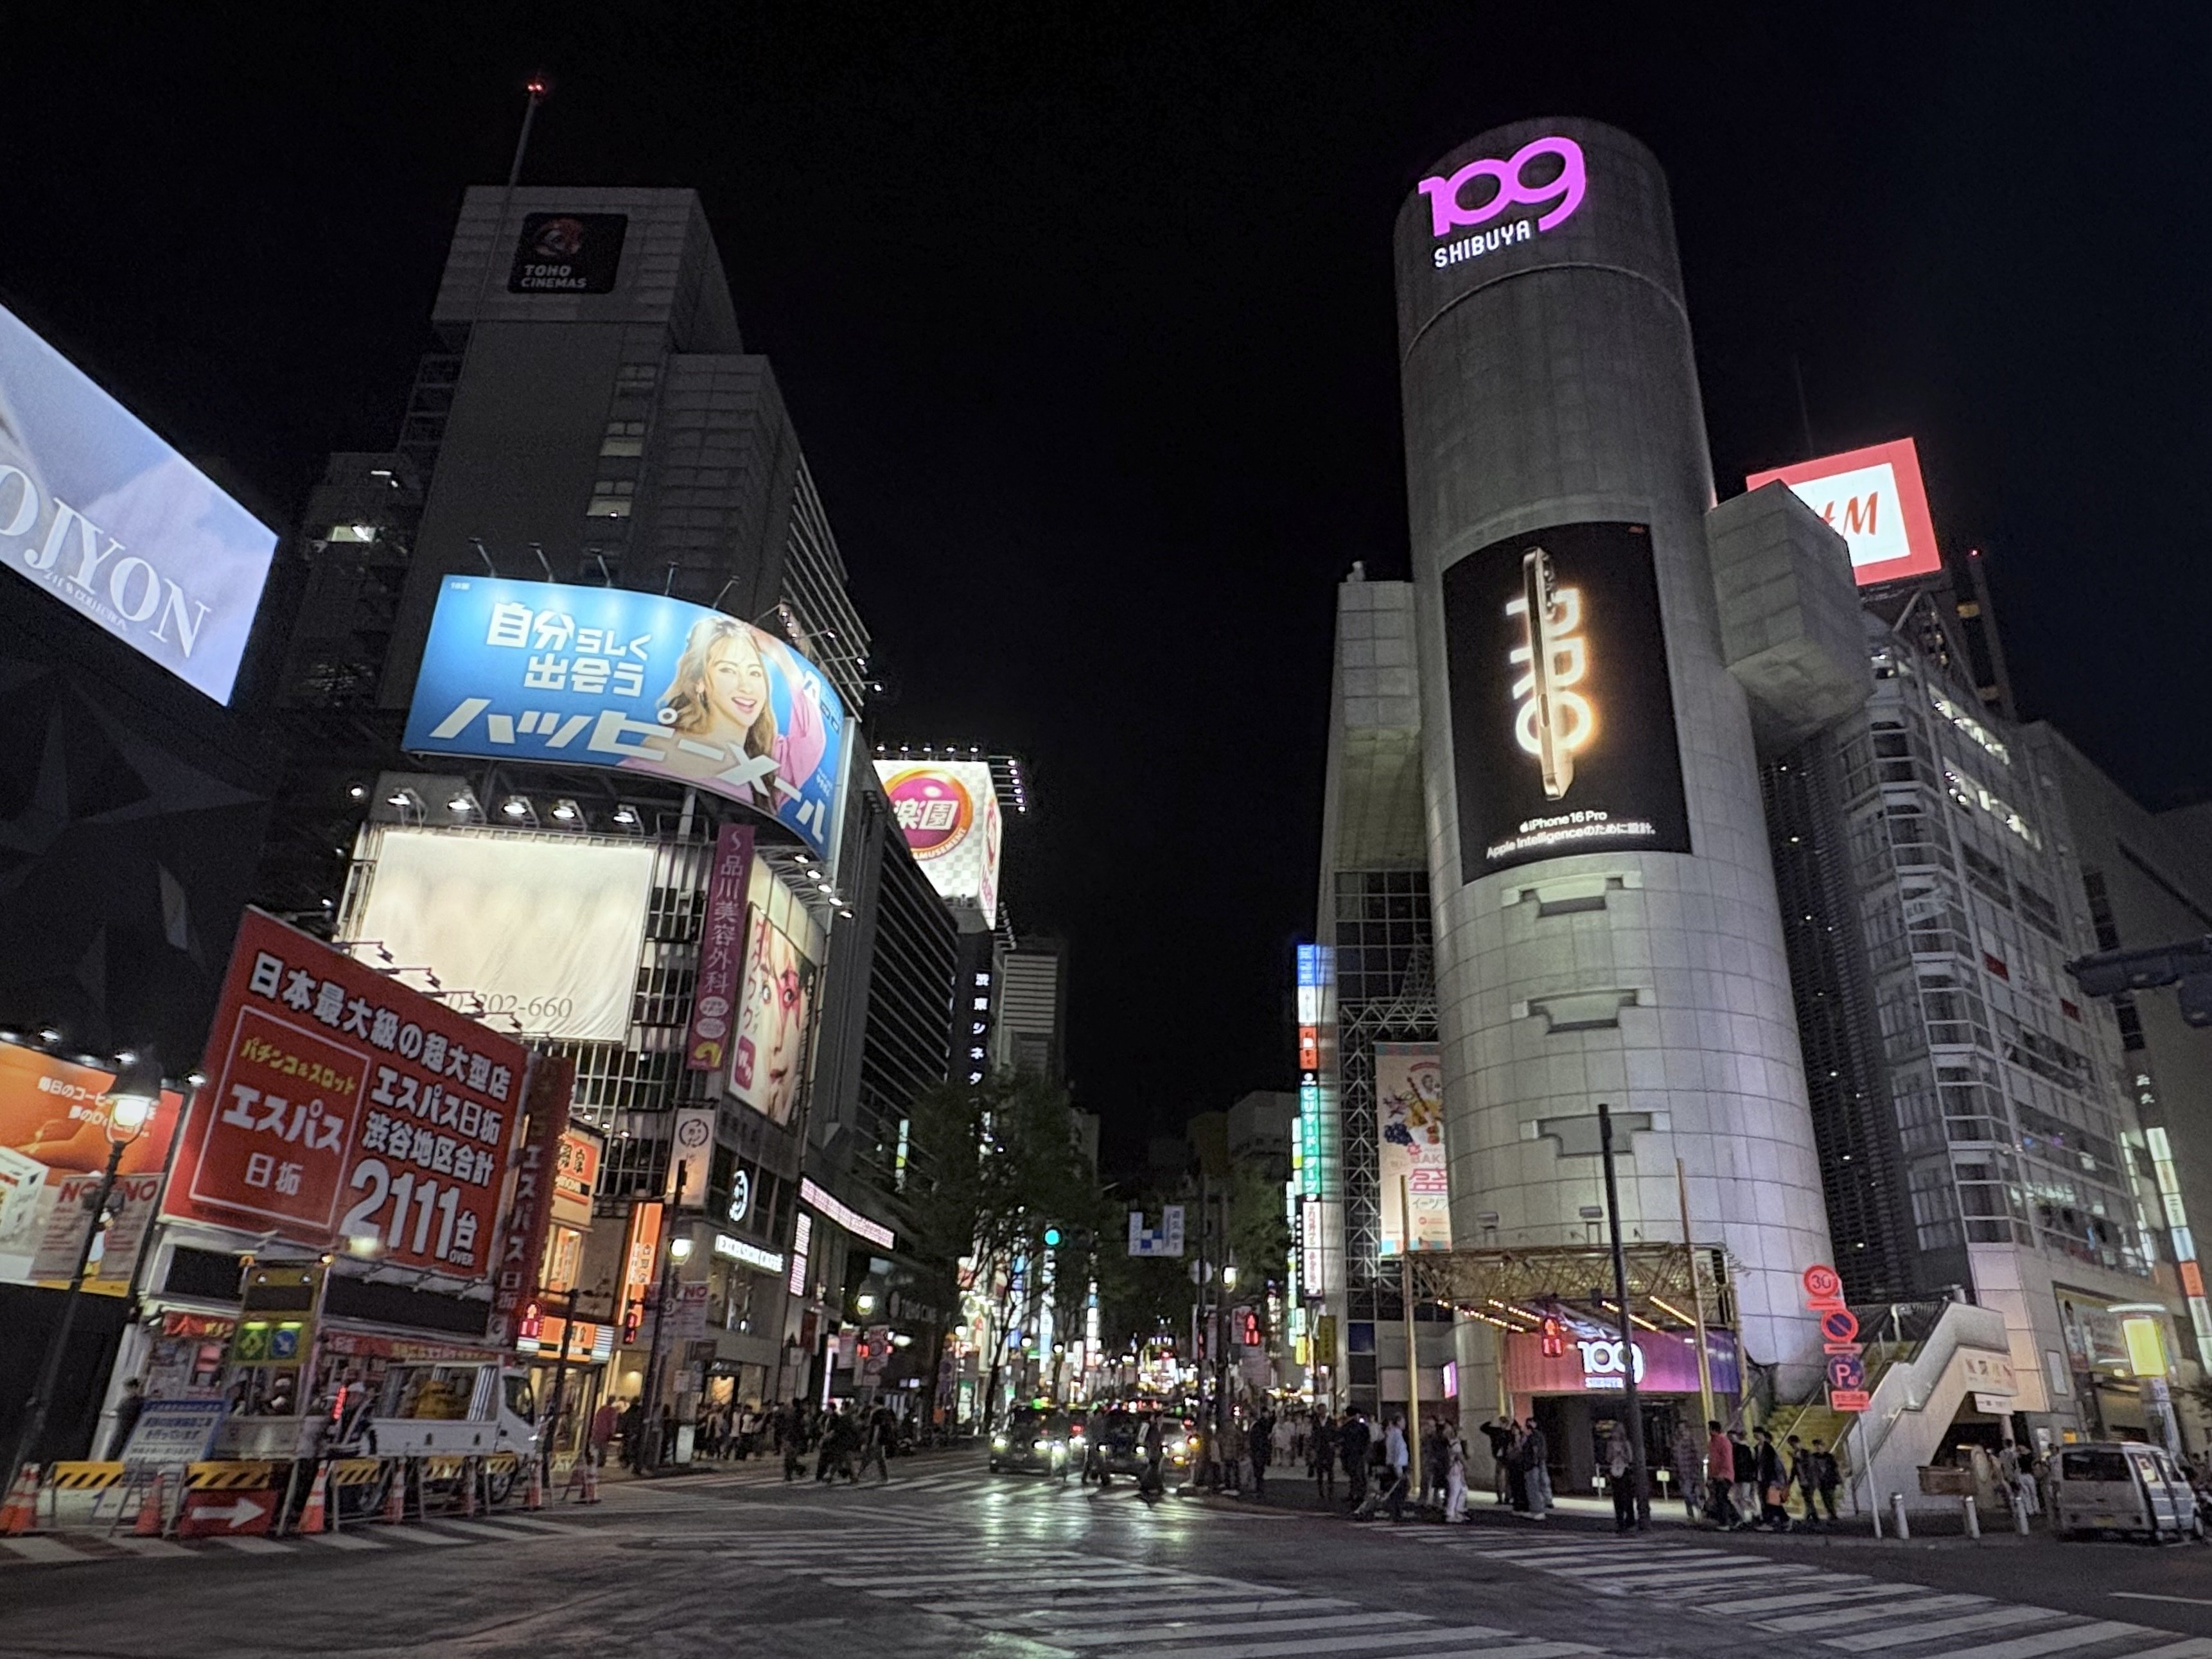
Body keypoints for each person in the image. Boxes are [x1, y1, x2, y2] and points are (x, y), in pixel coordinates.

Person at [1703, 1418, 1737, 1528]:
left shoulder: (1723, 1442)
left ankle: (1725, 1522)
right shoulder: (1712, 1443)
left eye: (1710, 1429)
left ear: (1714, 1430)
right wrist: (1710, 1476)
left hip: (1724, 1476)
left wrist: (1723, 1474)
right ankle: (1735, 1518)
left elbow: (1726, 1459)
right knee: (1721, 1498)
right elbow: (1712, 1461)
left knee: (1721, 1498)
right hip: (1717, 1475)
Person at [1752, 1427, 1788, 1529]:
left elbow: (1774, 1466)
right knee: (1767, 1501)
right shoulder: (1757, 1448)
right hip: (1761, 1479)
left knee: (1770, 1501)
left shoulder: (1769, 1449)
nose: (1756, 1436)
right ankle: (1779, 1520)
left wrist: (1775, 1480)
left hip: (1769, 1479)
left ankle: (1772, 1521)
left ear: (1762, 1434)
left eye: (1757, 1434)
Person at [1605, 1420, 1638, 1531]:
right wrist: (1613, 1454)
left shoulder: (1626, 1444)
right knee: (1617, 1497)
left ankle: (1630, 1519)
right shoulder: (1610, 1444)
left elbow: (1630, 1458)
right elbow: (1608, 1458)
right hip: (1614, 1470)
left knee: (1627, 1496)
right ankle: (1620, 1520)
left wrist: (1622, 1454)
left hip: (1625, 1470)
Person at [105, 1378, 146, 1461]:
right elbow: (116, 1411)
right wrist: (109, 1414)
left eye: (129, 1388)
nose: (128, 1391)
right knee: (115, 1447)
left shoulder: (141, 1402)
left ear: (135, 1388)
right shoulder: (124, 1401)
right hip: (121, 1429)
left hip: (132, 1430)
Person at [1382, 1412, 1411, 1521]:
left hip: (1392, 1465)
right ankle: (1397, 1513)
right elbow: (1398, 1453)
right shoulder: (1397, 1436)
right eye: (1403, 1421)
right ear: (1398, 1422)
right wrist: (1399, 1470)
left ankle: (1395, 1512)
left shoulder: (1391, 1434)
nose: (1405, 1424)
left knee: (1396, 1491)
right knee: (1400, 1491)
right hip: (1398, 1466)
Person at [1340, 1410, 1372, 1510]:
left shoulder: (1346, 1427)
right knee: (1359, 1475)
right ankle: (1360, 1494)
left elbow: (1342, 1440)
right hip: (1358, 1454)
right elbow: (1367, 1439)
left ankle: (1354, 1494)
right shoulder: (1362, 1427)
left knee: (1354, 1475)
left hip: (1350, 1454)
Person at [1520, 1417, 1550, 1520]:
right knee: (1531, 1488)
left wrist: (1535, 1462)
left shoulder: (1533, 1438)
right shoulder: (1527, 1438)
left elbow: (1535, 1451)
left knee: (1534, 1488)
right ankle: (1534, 1510)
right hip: (1529, 1465)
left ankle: (1539, 1510)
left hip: (1532, 1466)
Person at [1730, 1426, 1757, 1523]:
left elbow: (1746, 1463)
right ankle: (1747, 1516)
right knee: (1739, 1498)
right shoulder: (1743, 1448)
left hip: (1743, 1477)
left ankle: (1754, 1514)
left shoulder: (1741, 1449)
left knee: (1743, 1497)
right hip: (1742, 1477)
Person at [859, 1406, 893, 1484]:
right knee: (877, 1457)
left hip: (876, 1440)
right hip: (880, 1440)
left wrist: (874, 1440)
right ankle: (860, 1473)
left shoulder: (878, 1413)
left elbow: (877, 1428)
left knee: (872, 1456)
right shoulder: (884, 1412)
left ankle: (859, 1474)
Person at [1444, 1430, 1470, 1523]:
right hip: (1455, 1471)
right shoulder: (1456, 1445)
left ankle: (1456, 1511)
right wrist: (1466, 1466)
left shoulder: (1453, 1444)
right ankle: (1450, 1513)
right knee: (1455, 1492)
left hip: (1456, 1470)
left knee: (1461, 1490)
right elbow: (1460, 1457)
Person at [1310, 1411, 1336, 1500]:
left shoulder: (1331, 1422)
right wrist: (1313, 1447)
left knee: (1330, 1470)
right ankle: (1321, 1490)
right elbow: (1313, 1436)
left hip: (1329, 1448)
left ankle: (1330, 1490)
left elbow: (1335, 1433)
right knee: (1319, 1470)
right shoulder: (1315, 1423)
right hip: (1319, 1448)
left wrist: (1334, 1442)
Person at [1251, 1405, 1274, 1500]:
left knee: (1259, 1471)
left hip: (1259, 1451)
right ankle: (1259, 1490)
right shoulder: (1261, 1426)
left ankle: (1259, 1490)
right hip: (1260, 1451)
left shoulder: (1259, 1426)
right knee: (1259, 1471)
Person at [1141, 1412, 1165, 1500]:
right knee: (1153, 1469)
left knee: (1153, 1470)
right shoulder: (1154, 1428)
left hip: (1154, 1452)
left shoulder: (1157, 1428)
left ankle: (1147, 1486)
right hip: (1153, 1452)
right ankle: (1157, 1487)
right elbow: (1152, 1442)